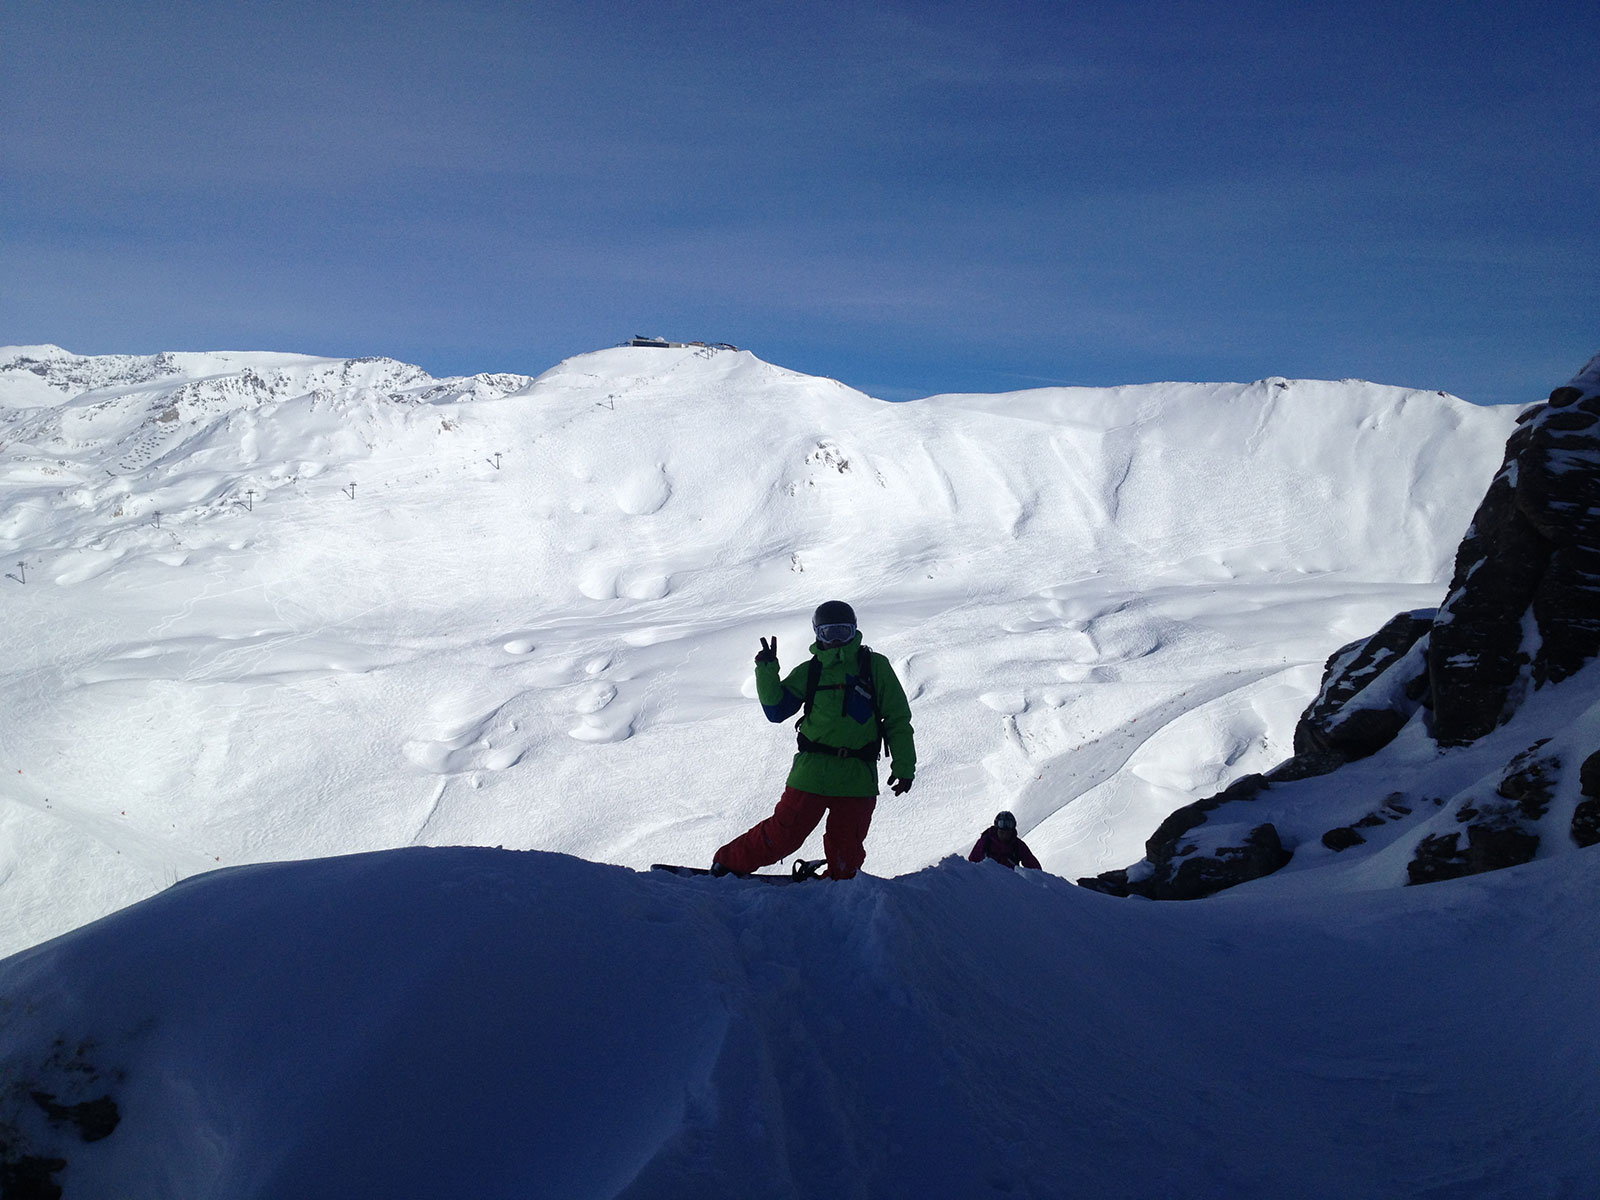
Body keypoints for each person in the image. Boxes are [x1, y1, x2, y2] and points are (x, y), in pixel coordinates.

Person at [712, 601, 916, 880]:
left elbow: (897, 719)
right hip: (812, 773)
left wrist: (904, 767)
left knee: (847, 850)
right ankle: (727, 863)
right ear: (817, 634)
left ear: (854, 632)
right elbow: (777, 710)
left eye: (842, 632)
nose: (835, 641)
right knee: (783, 835)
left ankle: (839, 890)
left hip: (856, 777)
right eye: (828, 633)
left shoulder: (875, 666)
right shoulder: (812, 670)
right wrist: (767, 670)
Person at [969, 811, 1041, 870]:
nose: (1005, 836)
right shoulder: (985, 841)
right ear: (996, 829)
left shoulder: (1018, 845)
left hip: (1010, 884)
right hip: (987, 882)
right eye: (1002, 832)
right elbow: (972, 864)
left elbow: (1034, 868)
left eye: (1008, 833)